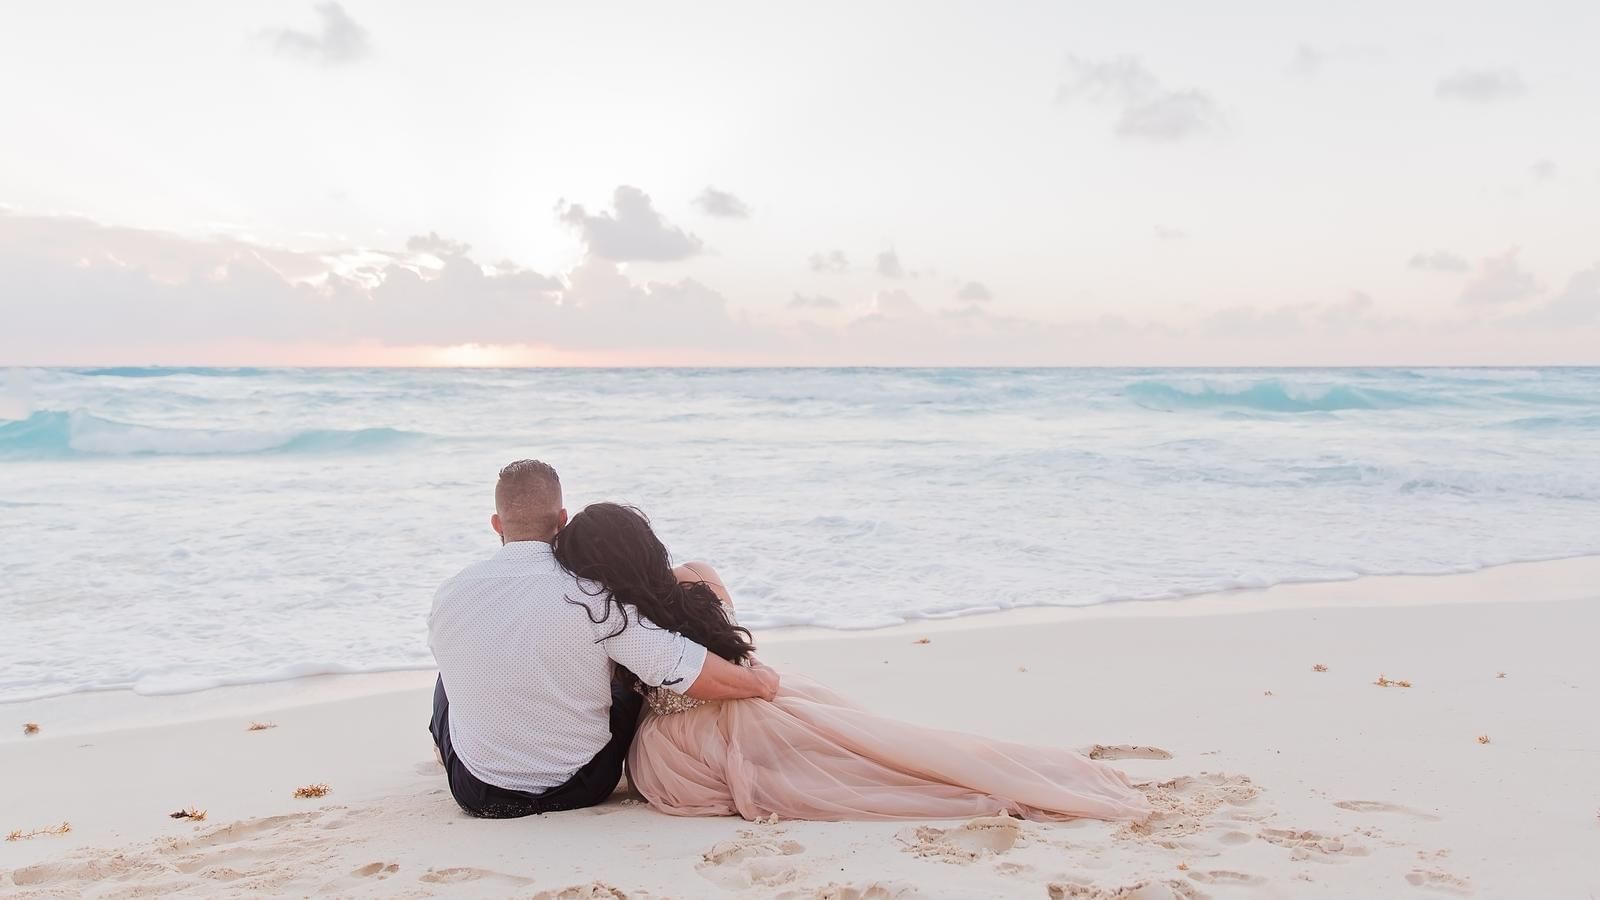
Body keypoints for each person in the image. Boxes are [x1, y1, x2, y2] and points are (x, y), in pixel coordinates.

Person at [552, 502, 1153, 822]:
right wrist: (757, 684)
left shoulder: (613, 617)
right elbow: (737, 658)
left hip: (677, 745)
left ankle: (990, 789)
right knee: (877, 750)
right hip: (760, 699)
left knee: (836, 776)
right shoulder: (700, 579)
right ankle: (1014, 777)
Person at [427, 460, 778, 818]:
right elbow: (680, 667)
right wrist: (757, 681)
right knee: (622, 670)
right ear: (562, 520)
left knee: (448, 679)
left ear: (496, 524)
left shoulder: (450, 593)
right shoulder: (593, 594)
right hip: (583, 784)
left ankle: (451, 751)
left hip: (480, 792)